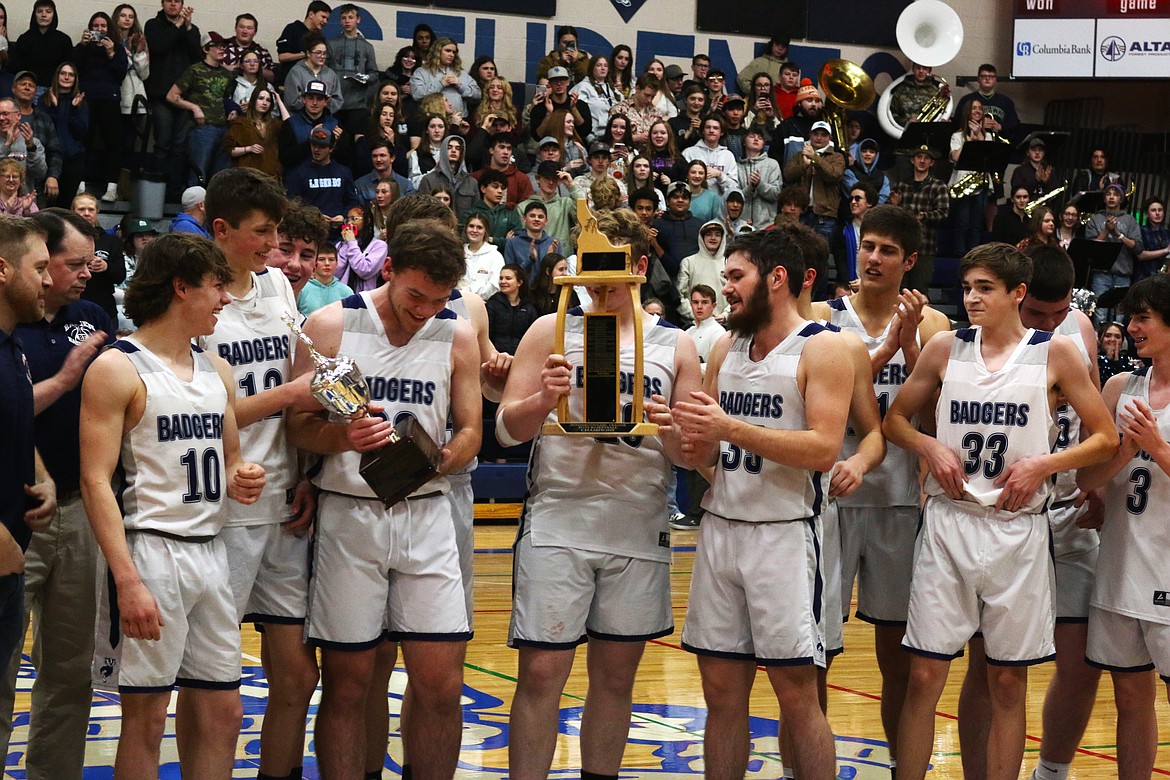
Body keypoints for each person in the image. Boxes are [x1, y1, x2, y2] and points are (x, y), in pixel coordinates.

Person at [882, 242, 1117, 780]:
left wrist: (1043, 465)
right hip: (949, 522)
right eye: (967, 287)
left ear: (1018, 293)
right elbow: (895, 421)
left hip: (1018, 529)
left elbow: (1105, 438)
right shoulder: (944, 348)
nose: (971, 298)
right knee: (923, 677)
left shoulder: (1055, 353)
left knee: (1007, 682)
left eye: (985, 288)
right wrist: (930, 446)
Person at [499, 206, 701, 780]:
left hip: (637, 522)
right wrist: (541, 400)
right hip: (559, 518)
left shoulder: (677, 344)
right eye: (589, 265)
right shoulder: (551, 327)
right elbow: (508, 431)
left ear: (638, 266)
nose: (596, 279)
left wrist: (671, 429)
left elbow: (693, 457)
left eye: (610, 266)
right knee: (541, 674)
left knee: (615, 680)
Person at [287, 219, 481, 780]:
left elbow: (471, 428)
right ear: (389, 269)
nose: (424, 310)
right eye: (415, 295)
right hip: (349, 512)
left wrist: (444, 458)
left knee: (442, 685)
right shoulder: (330, 325)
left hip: (426, 513)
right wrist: (340, 436)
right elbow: (297, 427)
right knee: (348, 684)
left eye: (438, 299)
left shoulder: (457, 333)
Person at [81, 232, 266, 776]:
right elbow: (96, 481)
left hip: (212, 549)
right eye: (216, 287)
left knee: (223, 710)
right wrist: (127, 580)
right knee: (146, 717)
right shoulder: (117, 368)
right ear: (181, 288)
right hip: (150, 552)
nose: (225, 299)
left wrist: (243, 476)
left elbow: (232, 458)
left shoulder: (216, 368)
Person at [671, 227, 852, 780]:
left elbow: (823, 449)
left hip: (785, 532)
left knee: (796, 695)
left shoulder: (823, 346)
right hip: (722, 525)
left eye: (735, 276)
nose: (725, 287)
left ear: (776, 279)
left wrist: (730, 427)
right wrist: (675, 431)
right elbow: (704, 454)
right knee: (721, 691)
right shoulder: (725, 347)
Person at [953, 245, 1103, 780]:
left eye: (1056, 314)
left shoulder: (1078, 333)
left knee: (1082, 660)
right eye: (1037, 314)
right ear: (1018, 295)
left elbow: (1097, 425)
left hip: (1065, 507)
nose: (1046, 324)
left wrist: (1096, 485)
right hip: (1004, 512)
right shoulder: (977, 336)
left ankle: (1052, 771)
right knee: (988, 664)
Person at [196, 168, 322, 780]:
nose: (276, 247)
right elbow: (199, 411)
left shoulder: (276, 285)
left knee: (297, 674)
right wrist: (289, 394)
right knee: (214, 676)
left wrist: (306, 471)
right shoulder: (194, 297)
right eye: (263, 232)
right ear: (220, 230)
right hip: (226, 504)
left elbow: (297, 388)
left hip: (284, 500)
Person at [0, 209, 106, 778]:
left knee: (69, 670)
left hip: (80, 508)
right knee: (1, 667)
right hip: (17, 517)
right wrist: (65, 379)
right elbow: (15, 406)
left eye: (91, 264)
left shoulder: (90, 317)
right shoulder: (11, 326)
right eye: (66, 265)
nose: (79, 275)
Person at [1074, 274, 1170, 780]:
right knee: (1131, 696)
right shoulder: (1118, 387)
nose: (1131, 327)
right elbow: (1085, 479)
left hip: (1168, 567)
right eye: (1130, 317)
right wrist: (1123, 455)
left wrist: (1154, 447)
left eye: (1143, 317)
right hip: (1120, 561)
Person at [72, 14, 129, 205]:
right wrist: (81, 45)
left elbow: (120, 74)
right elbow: (72, 68)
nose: (100, 29)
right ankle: (79, 184)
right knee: (83, 139)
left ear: (109, 28)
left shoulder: (117, 47)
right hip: (86, 98)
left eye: (103, 25)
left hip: (109, 99)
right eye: (96, 25)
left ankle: (112, 187)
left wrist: (112, 53)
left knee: (113, 142)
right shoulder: (84, 47)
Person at [167, 30, 233, 187]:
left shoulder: (226, 74)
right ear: (205, 49)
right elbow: (171, 95)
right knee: (198, 173)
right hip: (202, 129)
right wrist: (194, 107)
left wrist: (233, 110)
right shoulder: (195, 70)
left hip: (223, 127)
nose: (221, 49)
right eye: (216, 46)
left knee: (221, 176)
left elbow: (226, 98)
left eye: (223, 45)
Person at [888, 145, 949, 295]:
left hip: (925, 247)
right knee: (898, 291)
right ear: (912, 160)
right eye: (919, 157)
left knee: (919, 292)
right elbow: (889, 215)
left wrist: (925, 216)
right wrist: (893, 205)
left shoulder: (938, 185)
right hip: (902, 247)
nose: (922, 160)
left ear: (932, 162)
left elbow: (943, 213)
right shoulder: (902, 185)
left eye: (926, 158)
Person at [1085, 182, 1143, 322]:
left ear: (1121, 199)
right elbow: (1091, 247)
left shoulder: (1129, 220)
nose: (1111, 197)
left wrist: (1118, 234)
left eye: (1116, 194)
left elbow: (1138, 248)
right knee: (1100, 314)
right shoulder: (1095, 219)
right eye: (1108, 194)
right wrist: (1106, 230)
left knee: (1120, 316)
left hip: (1122, 274)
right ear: (1104, 198)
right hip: (1101, 274)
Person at [285, 124, 360, 226]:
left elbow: (353, 201)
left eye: (322, 146)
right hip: (309, 230)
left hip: (339, 232)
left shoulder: (343, 172)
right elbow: (293, 205)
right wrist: (313, 217)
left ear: (331, 148)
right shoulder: (298, 173)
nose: (316, 149)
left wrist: (344, 216)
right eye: (314, 145)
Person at [783, 120, 845, 242]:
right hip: (801, 213)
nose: (819, 138)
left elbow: (834, 175)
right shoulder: (799, 155)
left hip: (825, 215)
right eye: (816, 134)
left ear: (830, 138)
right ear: (810, 135)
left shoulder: (837, 157)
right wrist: (804, 166)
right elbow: (788, 175)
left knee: (822, 255)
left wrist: (815, 158)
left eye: (824, 135)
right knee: (799, 251)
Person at [948, 98, 995, 257]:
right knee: (962, 223)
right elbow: (955, 157)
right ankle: (959, 256)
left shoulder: (988, 136)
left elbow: (989, 156)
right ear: (968, 112)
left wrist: (979, 136)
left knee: (976, 225)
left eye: (980, 108)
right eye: (974, 108)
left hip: (980, 185)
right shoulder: (957, 135)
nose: (977, 111)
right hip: (962, 185)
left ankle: (974, 256)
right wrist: (969, 140)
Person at [72, 193, 125, 323]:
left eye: (91, 209)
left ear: (97, 212)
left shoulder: (111, 241)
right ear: (72, 212)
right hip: (73, 307)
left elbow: (120, 275)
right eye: (81, 209)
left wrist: (106, 266)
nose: (86, 213)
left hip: (104, 308)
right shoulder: (64, 240)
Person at [326, 3, 378, 136]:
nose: (347, 21)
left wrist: (363, 78)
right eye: (343, 18)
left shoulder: (367, 47)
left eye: (350, 17)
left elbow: (374, 73)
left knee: (355, 143)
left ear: (358, 19)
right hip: (334, 103)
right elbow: (324, 70)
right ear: (340, 21)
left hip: (357, 105)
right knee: (334, 140)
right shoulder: (331, 44)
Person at [517, 161, 585, 254]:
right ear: (537, 179)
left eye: (554, 178)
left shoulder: (566, 203)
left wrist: (571, 185)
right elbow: (521, 237)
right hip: (534, 259)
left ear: (559, 181)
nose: (551, 182)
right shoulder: (523, 207)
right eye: (546, 178)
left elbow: (584, 213)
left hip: (562, 259)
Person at [409, 37, 480, 119]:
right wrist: (440, 84)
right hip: (432, 122)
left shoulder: (460, 73)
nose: (451, 55)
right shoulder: (422, 72)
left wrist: (460, 86)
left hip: (459, 121)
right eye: (448, 51)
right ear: (437, 51)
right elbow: (417, 95)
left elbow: (478, 95)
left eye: (454, 52)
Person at [225, 86, 289, 178]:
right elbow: (230, 150)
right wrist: (248, 149)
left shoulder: (274, 124)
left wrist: (279, 101)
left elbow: (289, 125)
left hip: (271, 176)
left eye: (268, 100)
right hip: (247, 176)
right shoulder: (240, 123)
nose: (264, 103)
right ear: (253, 100)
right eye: (261, 98)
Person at [418, 134, 478, 224]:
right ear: (443, 151)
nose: (453, 150)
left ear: (462, 153)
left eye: (458, 148)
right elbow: (422, 212)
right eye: (449, 147)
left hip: (464, 232)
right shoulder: (428, 180)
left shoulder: (471, 182)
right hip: (436, 230)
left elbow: (476, 212)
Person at [675, 219, 726, 325]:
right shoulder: (688, 262)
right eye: (708, 234)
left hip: (724, 324)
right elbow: (680, 295)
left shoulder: (729, 263)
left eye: (717, 235)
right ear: (702, 238)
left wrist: (725, 315)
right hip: (695, 323)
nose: (713, 238)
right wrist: (694, 314)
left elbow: (736, 293)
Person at [830, 182, 877, 292]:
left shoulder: (879, 230)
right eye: (851, 199)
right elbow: (840, 262)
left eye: (858, 198)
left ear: (869, 203)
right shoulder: (842, 230)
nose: (853, 202)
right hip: (849, 286)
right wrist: (849, 285)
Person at [529, 66, 591, 146]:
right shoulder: (540, 107)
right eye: (555, 81)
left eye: (562, 80)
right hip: (550, 149)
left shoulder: (579, 104)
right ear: (549, 84)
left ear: (568, 82)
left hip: (574, 149)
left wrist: (574, 109)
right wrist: (549, 114)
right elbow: (537, 136)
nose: (559, 84)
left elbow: (585, 131)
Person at [485, 262, 538, 355]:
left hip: (521, 357)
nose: (502, 281)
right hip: (496, 357)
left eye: (508, 278)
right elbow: (487, 336)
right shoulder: (492, 303)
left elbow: (533, 337)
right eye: (501, 278)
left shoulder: (529, 306)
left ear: (519, 282)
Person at [284, 33, 343, 116]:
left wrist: (327, 101)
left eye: (324, 53)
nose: (322, 56)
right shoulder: (296, 72)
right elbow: (291, 101)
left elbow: (338, 101)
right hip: (299, 119)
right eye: (318, 53)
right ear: (308, 53)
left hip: (324, 120)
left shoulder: (331, 74)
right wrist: (311, 100)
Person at [682, 115, 740, 200]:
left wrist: (720, 175)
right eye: (708, 127)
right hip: (693, 203)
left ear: (722, 132)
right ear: (702, 131)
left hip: (720, 205)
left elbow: (734, 188)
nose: (711, 131)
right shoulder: (689, 153)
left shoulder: (728, 156)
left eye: (715, 128)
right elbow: (682, 182)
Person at [275, 1, 332, 85]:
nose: (325, 21)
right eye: (323, 17)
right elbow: (282, 57)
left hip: (311, 85)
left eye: (327, 19)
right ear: (311, 14)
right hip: (290, 82)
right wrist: (305, 55)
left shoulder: (320, 37)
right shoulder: (292, 29)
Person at [335, 203, 387, 294]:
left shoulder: (379, 246)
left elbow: (364, 270)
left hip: (365, 298)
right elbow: (335, 273)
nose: (350, 223)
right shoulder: (341, 245)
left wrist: (351, 243)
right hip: (342, 295)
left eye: (354, 219)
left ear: (367, 221)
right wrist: (347, 244)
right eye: (348, 219)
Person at [654, 181, 702, 278]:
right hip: (665, 280)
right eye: (675, 197)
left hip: (696, 277)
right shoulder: (657, 225)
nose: (680, 200)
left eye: (684, 198)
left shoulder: (700, 225)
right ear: (667, 201)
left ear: (689, 202)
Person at [504, 201, 557, 279]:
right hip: (522, 290)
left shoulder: (554, 243)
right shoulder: (512, 243)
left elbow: (558, 275)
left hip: (547, 290)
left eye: (540, 217)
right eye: (532, 216)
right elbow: (510, 275)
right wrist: (530, 259)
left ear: (546, 221)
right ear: (524, 219)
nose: (536, 219)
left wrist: (549, 258)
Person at [570, 55, 618, 142]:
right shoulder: (583, 87)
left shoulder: (612, 89)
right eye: (599, 65)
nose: (603, 68)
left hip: (611, 135)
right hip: (591, 136)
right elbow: (580, 112)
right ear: (592, 68)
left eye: (605, 66)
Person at [297, 241, 351, 316]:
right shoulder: (301, 289)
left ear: (337, 263)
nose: (327, 263)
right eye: (321, 259)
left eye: (331, 259)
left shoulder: (346, 292)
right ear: (314, 263)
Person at [461, 213, 505, 298]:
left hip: (485, 305)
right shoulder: (457, 253)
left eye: (479, 227)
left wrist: (468, 292)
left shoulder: (495, 256)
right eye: (471, 226)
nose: (474, 230)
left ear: (485, 231)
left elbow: (495, 286)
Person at [222, 13, 275, 82]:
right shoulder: (222, 47)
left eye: (249, 28)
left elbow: (272, 78)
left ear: (255, 32)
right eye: (241, 27)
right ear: (235, 29)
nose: (245, 31)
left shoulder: (262, 52)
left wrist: (255, 68)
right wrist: (236, 68)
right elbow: (211, 68)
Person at [842, 138, 890, 205]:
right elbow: (856, 193)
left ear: (876, 155)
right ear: (858, 153)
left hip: (875, 213)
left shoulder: (883, 177)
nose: (868, 154)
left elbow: (884, 196)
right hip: (851, 213)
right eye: (864, 151)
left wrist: (873, 208)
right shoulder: (849, 172)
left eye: (872, 152)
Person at [1010, 137, 1056, 201]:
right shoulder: (1020, 171)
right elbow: (1017, 194)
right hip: (1026, 206)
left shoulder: (1048, 170)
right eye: (1034, 150)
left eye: (1040, 150)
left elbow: (1054, 196)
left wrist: (1045, 182)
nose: (1037, 152)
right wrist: (1036, 180)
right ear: (1028, 153)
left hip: (1045, 207)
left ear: (1044, 153)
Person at [1138, 195, 1170, 281]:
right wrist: (1165, 251)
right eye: (1153, 210)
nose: (1157, 213)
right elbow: (1140, 255)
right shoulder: (1141, 231)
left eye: (1160, 210)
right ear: (1147, 214)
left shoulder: (1167, 233)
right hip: (1144, 279)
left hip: (1164, 280)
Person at [1097, 320, 1139, 385]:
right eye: (1108, 336)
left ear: (1122, 341)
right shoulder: (1093, 361)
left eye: (1117, 337)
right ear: (1100, 339)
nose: (1113, 340)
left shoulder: (1130, 362)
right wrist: (1108, 361)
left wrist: (1117, 363)